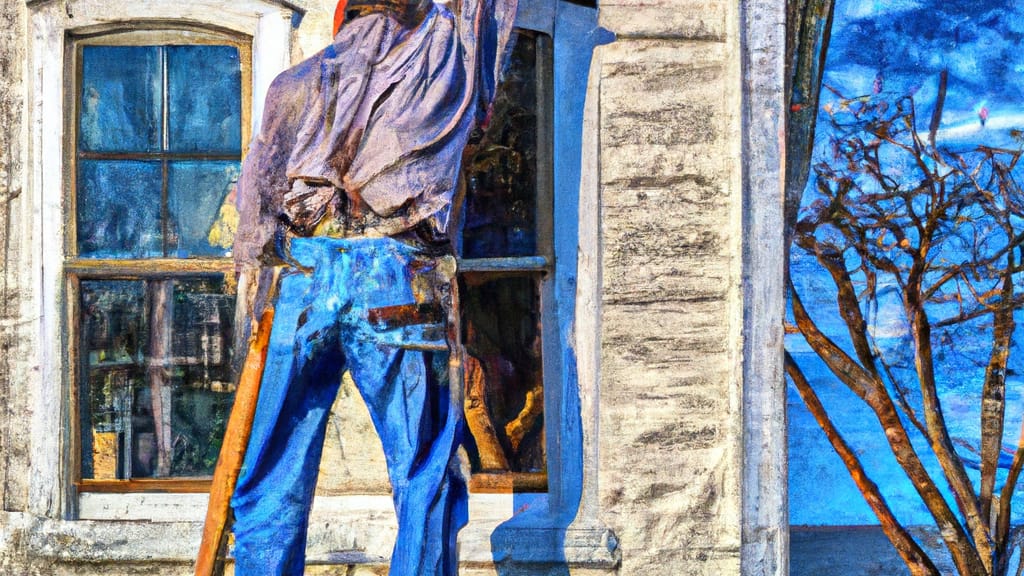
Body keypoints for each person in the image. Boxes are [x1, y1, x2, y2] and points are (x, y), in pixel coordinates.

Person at [228, 0, 518, 573]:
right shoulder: (444, 59)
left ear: (344, 19)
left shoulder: (295, 84)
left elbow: (256, 217)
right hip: (394, 272)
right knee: (424, 474)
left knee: (274, 470)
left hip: (302, 275)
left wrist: (259, 307)